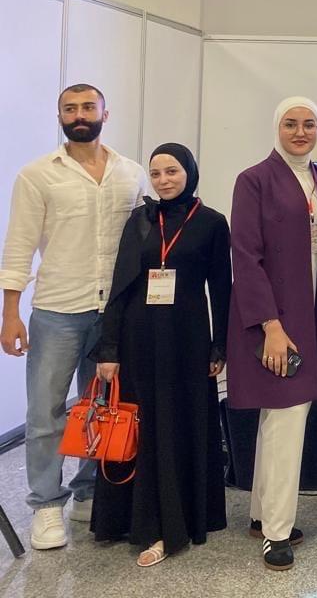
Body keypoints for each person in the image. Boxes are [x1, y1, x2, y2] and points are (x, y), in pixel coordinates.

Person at [0, 83, 146, 551]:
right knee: (46, 413)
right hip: (58, 310)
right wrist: (10, 312)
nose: (79, 115)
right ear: (60, 116)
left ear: (105, 112)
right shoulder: (37, 175)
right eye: (70, 109)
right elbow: (19, 245)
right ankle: (46, 504)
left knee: (101, 408)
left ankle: (88, 492)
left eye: (87, 107)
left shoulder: (132, 173)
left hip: (115, 312)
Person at [90, 143, 230, 566]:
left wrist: (219, 344)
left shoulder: (211, 222)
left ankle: (176, 521)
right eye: (155, 173)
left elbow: (221, 289)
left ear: (189, 172)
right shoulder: (140, 220)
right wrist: (108, 348)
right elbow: (120, 286)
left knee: (177, 424)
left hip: (187, 340)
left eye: (172, 171)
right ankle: (137, 520)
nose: (164, 180)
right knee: (142, 424)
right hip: (138, 339)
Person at [227, 96, 317, 570]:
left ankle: (261, 515)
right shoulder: (253, 180)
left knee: (281, 419)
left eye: (309, 124)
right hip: (275, 320)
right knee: (286, 420)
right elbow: (245, 256)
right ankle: (277, 533)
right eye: (291, 124)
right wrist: (270, 326)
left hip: (313, 316)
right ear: (277, 127)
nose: (300, 132)